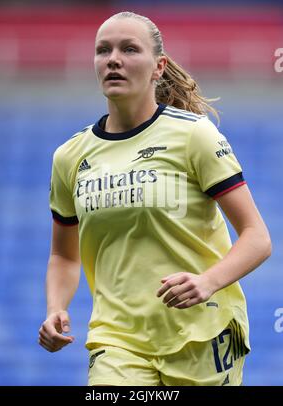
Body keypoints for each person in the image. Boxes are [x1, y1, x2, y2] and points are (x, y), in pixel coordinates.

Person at [38, 11, 272, 386]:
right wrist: (55, 308)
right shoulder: (69, 156)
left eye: (129, 49)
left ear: (158, 66)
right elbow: (64, 254)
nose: (113, 59)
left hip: (203, 334)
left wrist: (208, 282)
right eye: (103, 50)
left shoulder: (195, 136)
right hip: (117, 343)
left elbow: (257, 238)